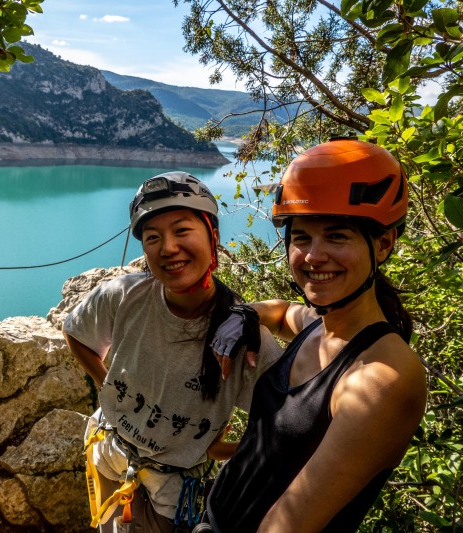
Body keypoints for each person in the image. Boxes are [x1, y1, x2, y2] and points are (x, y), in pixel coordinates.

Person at [201, 139, 428, 533]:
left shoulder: (380, 379)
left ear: (384, 244)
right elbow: (282, 312)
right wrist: (243, 316)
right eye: (301, 237)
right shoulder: (321, 326)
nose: (312, 256)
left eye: (338, 236)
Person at [62, 171, 283, 533]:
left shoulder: (244, 340)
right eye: (153, 238)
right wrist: (107, 382)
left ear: (212, 236)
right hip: (110, 452)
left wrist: (221, 450)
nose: (167, 248)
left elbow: (287, 427)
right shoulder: (124, 296)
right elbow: (76, 332)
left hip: (174, 491)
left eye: (182, 231)